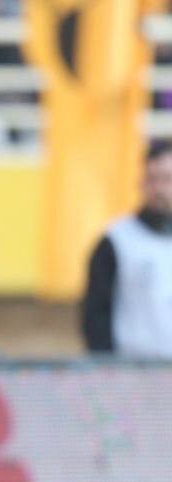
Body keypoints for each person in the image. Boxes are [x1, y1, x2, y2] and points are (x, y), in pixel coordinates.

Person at [81, 140, 172, 358]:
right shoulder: (117, 240)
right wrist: (107, 364)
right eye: (152, 179)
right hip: (133, 368)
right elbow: (96, 312)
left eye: (167, 179)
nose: (159, 189)